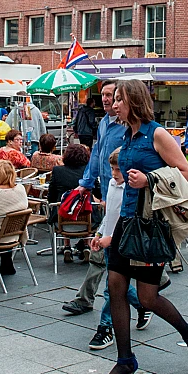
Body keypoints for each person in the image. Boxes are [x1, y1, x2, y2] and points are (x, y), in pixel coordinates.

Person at [99, 79, 188, 374]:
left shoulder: (156, 134)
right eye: (113, 99)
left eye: (119, 99)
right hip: (126, 224)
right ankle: (124, 359)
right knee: (115, 287)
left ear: (133, 100)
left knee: (147, 298)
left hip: (151, 227)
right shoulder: (126, 136)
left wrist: (149, 179)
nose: (113, 104)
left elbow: (185, 172)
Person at [62, 80, 125, 316]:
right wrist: (86, 184)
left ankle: (91, 302)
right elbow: (97, 154)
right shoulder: (104, 123)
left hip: (123, 194)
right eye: (105, 96)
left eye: (112, 96)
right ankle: (86, 299)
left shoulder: (128, 125)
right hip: (109, 192)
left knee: (109, 250)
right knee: (106, 249)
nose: (107, 100)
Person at [87, 149, 150, 350]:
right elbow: (110, 214)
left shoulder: (132, 192)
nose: (114, 173)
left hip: (121, 243)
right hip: (109, 240)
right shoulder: (113, 185)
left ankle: (105, 327)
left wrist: (110, 239)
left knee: (110, 288)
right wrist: (100, 233)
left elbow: (129, 222)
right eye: (112, 168)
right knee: (116, 285)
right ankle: (141, 305)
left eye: (118, 169)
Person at [47, 143, 93, 263]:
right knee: (86, 206)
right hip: (87, 223)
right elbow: (98, 192)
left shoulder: (57, 171)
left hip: (62, 222)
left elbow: (51, 197)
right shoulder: (88, 172)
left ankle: (67, 247)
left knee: (65, 206)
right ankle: (86, 245)